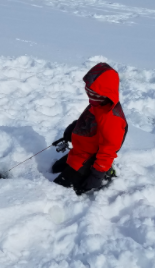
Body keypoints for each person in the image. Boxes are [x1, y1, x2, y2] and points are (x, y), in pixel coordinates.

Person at [53, 63, 128, 194]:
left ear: (105, 93)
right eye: (88, 91)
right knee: (54, 168)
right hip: (80, 151)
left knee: (59, 188)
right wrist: (72, 129)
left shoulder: (112, 119)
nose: (89, 95)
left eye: (93, 92)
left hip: (90, 158)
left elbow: (108, 151)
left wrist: (96, 177)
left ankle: (107, 171)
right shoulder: (97, 103)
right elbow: (86, 120)